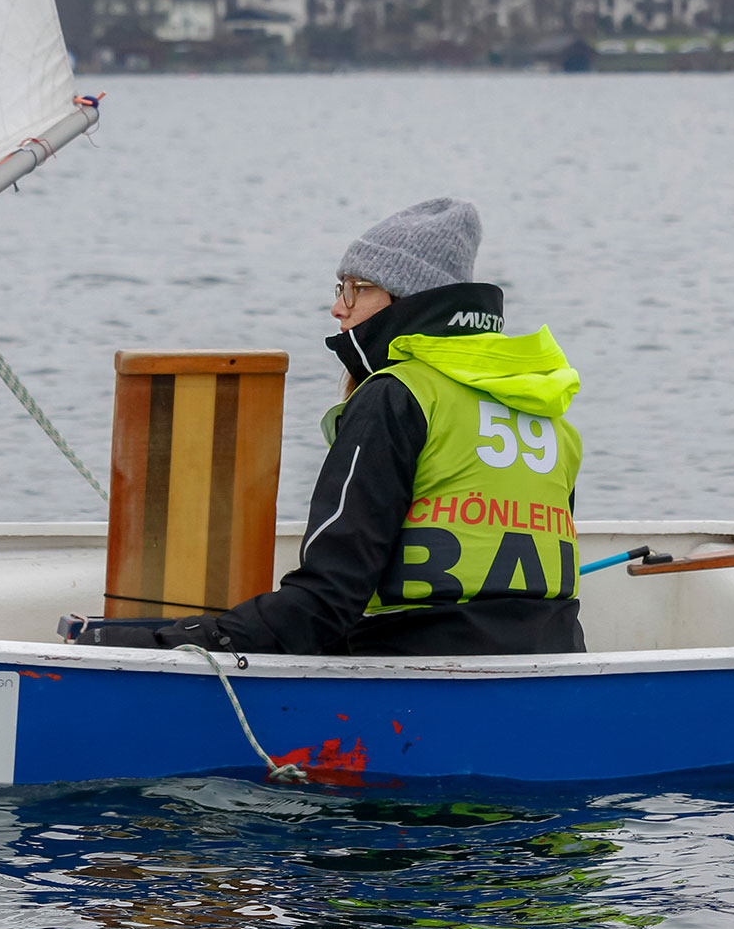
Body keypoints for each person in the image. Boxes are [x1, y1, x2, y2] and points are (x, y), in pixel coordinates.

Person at [79, 198, 587, 657]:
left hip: (416, 668)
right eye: (341, 287)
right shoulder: (547, 410)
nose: (338, 307)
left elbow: (323, 604)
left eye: (358, 289)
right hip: (555, 663)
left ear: (407, 301)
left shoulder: (398, 396)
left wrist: (162, 641)